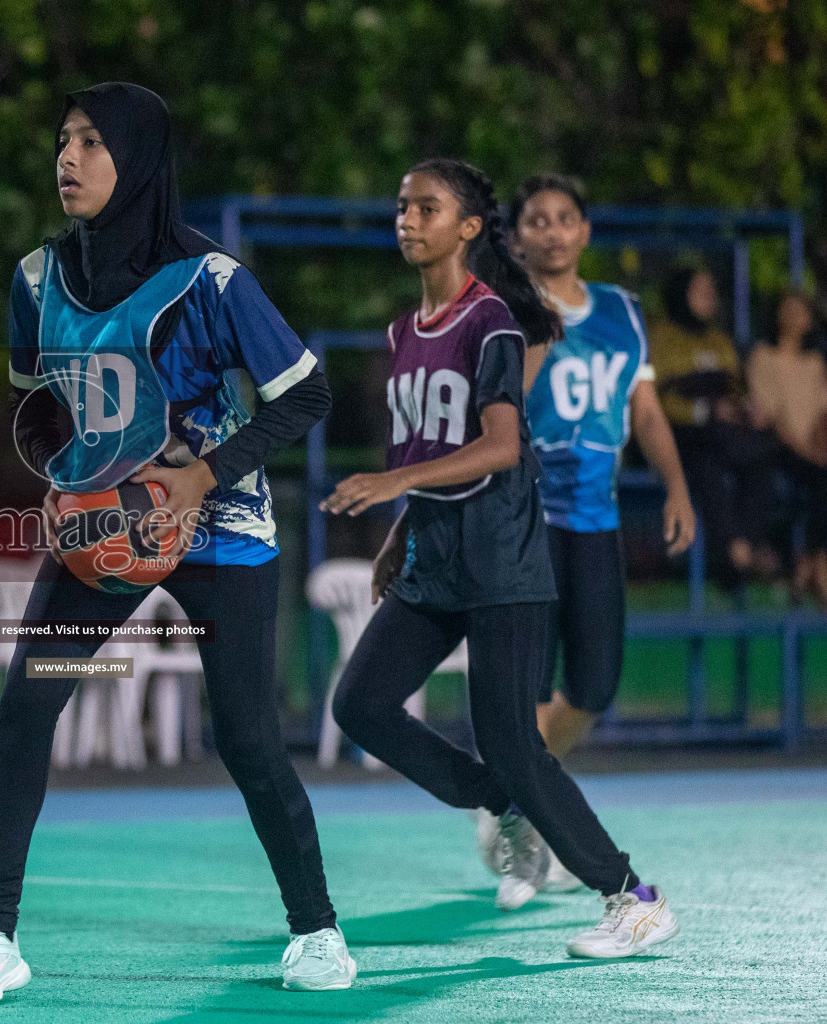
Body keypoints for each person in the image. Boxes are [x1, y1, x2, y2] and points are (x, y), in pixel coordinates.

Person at [0, 83, 349, 1008]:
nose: (67, 160)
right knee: (25, 712)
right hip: (103, 526)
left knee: (245, 737)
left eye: (90, 142)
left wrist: (204, 476)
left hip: (221, 526)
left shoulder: (213, 281)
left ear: (141, 161)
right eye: (62, 141)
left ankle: (317, 930)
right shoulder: (37, 280)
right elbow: (35, 406)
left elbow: (310, 395)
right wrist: (57, 476)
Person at [323, 158, 679, 958]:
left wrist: (393, 482)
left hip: (505, 562)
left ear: (470, 228)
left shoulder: (494, 323)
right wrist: (397, 533)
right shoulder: (404, 331)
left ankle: (634, 896)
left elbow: (499, 444)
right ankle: (506, 805)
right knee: (361, 706)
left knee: (514, 737)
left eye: (427, 208)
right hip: (436, 560)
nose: (407, 219)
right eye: (402, 206)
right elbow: (426, 442)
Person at [480, 174, 698, 887]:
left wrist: (676, 485)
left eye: (564, 217)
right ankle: (524, 819)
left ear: (584, 231)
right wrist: (535, 324)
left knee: (596, 686)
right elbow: (500, 405)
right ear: (516, 239)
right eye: (535, 219)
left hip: (596, 522)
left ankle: (517, 788)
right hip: (527, 521)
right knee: (530, 686)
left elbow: (647, 411)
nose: (550, 229)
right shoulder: (501, 313)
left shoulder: (621, 311)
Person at [650, 267, 778, 582]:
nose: (709, 297)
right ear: (681, 294)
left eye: (711, 290)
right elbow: (655, 403)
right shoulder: (662, 338)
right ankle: (734, 553)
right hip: (679, 432)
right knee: (707, 462)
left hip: (724, 434)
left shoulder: (720, 339)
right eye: (699, 290)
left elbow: (738, 390)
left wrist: (748, 409)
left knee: (764, 455)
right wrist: (705, 411)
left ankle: (742, 545)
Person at [747, 292, 827, 612]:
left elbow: (821, 414)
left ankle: (811, 564)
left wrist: (819, 449)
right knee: (822, 477)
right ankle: (820, 571)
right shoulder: (763, 356)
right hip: (778, 447)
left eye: (800, 310)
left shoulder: (815, 363)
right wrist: (806, 450)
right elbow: (772, 417)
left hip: (810, 452)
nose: (793, 315)